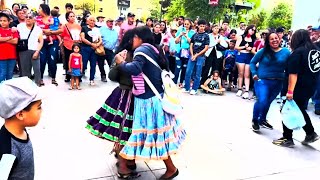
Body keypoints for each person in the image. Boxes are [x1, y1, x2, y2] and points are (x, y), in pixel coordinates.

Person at [115, 26, 186, 180]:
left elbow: (135, 68)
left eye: (133, 37)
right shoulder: (154, 49)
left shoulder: (141, 50)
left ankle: (171, 169)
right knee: (158, 135)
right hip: (155, 97)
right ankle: (127, 162)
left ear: (139, 37)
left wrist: (121, 62)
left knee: (154, 134)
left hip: (149, 101)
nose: (131, 41)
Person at [86, 29, 138, 179]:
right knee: (125, 131)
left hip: (123, 94)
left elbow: (112, 76)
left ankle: (126, 159)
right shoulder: (128, 55)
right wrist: (120, 64)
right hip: (127, 96)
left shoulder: (127, 54)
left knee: (126, 130)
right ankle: (123, 166)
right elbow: (113, 76)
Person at [273, 29, 320, 147]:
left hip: (296, 88)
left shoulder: (297, 53)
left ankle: (287, 137)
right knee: (299, 109)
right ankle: (310, 133)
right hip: (310, 87)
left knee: (287, 109)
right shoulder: (316, 51)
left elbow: (293, 74)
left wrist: (289, 91)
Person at [0, 77, 42, 180]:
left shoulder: (19, 129)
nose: (42, 111)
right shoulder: (7, 151)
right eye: (39, 107)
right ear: (21, 114)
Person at [250, 32, 291, 132]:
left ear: (280, 39)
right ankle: (255, 120)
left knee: (268, 102)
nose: (274, 40)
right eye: (271, 39)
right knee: (262, 100)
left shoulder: (286, 52)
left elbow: (290, 65)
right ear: (268, 41)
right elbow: (252, 62)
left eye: (276, 38)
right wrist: (254, 73)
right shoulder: (263, 51)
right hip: (262, 81)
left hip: (278, 82)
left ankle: (262, 119)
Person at [36, 4, 62, 86]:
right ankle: (40, 79)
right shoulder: (36, 19)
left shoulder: (53, 19)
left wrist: (51, 32)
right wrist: (43, 30)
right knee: (42, 60)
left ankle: (53, 78)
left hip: (53, 42)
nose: (38, 10)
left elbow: (61, 30)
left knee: (52, 60)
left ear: (44, 9)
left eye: (40, 8)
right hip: (41, 43)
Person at [183, 19, 210, 95]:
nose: (202, 27)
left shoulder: (206, 36)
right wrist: (192, 55)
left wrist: (197, 55)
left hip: (200, 56)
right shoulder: (194, 35)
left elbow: (206, 48)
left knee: (197, 73)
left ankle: (194, 89)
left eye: (203, 26)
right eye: (200, 26)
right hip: (192, 55)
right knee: (188, 71)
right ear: (198, 26)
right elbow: (191, 45)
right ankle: (187, 87)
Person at [17, 13, 44, 86]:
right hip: (24, 51)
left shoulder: (38, 29)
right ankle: (26, 86)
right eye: (26, 17)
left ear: (34, 19)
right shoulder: (19, 26)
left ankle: (37, 85)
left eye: (30, 17)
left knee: (37, 69)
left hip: (35, 50)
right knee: (25, 70)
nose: (28, 18)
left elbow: (41, 41)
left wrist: (37, 51)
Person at [235, 25, 256, 99]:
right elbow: (236, 47)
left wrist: (250, 49)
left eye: (254, 30)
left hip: (249, 56)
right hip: (241, 55)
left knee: (247, 74)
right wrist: (245, 47)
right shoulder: (241, 37)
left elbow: (254, 49)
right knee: (241, 73)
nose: (252, 31)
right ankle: (239, 89)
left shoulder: (253, 39)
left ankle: (246, 91)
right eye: (251, 29)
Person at [80, 15, 102, 86]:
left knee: (93, 64)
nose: (92, 22)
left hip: (94, 49)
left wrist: (97, 44)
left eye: (94, 20)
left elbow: (100, 39)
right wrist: (91, 44)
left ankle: (92, 79)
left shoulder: (97, 29)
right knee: (84, 63)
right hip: (85, 48)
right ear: (87, 21)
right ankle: (79, 77)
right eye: (91, 20)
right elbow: (83, 38)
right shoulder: (84, 28)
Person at [173, 18, 195, 87]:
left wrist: (186, 36)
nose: (186, 25)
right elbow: (176, 41)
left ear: (190, 24)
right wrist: (180, 35)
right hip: (179, 51)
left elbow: (191, 42)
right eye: (185, 24)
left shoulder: (192, 32)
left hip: (187, 52)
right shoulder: (180, 30)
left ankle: (181, 82)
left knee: (184, 68)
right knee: (178, 67)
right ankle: (174, 82)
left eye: (187, 24)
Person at [60, 11, 81, 82]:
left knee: (77, 60)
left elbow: (80, 34)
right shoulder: (64, 25)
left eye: (73, 16)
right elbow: (62, 35)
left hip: (76, 45)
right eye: (70, 16)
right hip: (68, 45)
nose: (72, 18)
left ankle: (78, 75)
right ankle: (68, 75)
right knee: (68, 60)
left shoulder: (78, 26)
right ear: (67, 18)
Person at [0, 12, 18, 82]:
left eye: (4, 21)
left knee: (10, 75)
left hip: (12, 56)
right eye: (1, 21)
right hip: (1, 56)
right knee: (2, 74)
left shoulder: (13, 30)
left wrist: (3, 39)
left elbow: (15, 41)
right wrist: (9, 38)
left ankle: (8, 90)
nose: (2, 22)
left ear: (9, 21)